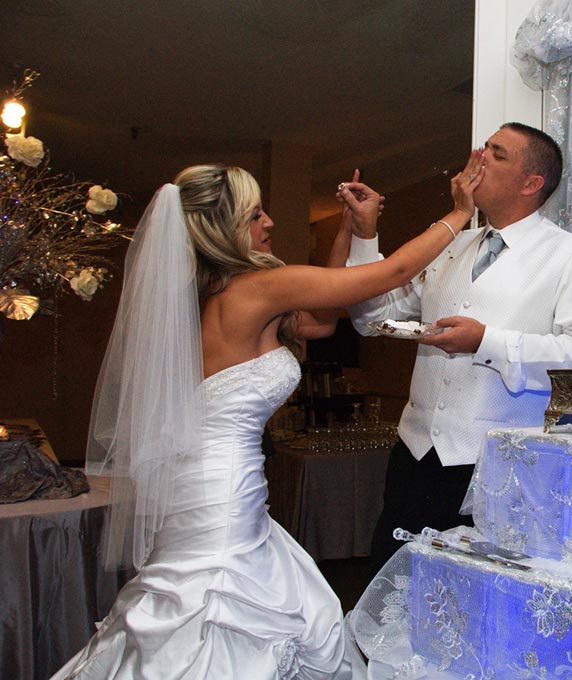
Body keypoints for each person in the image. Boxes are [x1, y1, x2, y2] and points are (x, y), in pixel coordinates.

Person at [51, 158, 482, 679]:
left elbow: (321, 322)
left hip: (213, 486)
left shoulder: (215, 298)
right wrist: (460, 213)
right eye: (256, 214)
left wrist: (346, 232)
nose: (270, 223)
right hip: (221, 494)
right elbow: (390, 275)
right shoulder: (257, 288)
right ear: (224, 227)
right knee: (217, 611)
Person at [347, 123, 572, 568]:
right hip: (413, 454)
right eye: (483, 147)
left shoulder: (569, 255)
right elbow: (371, 319)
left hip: (493, 467)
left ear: (531, 183)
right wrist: (366, 235)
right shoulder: (451, 244)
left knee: (470, 600)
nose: (478, 158)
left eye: (497, 153)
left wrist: (486, 341)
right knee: (391, 584)